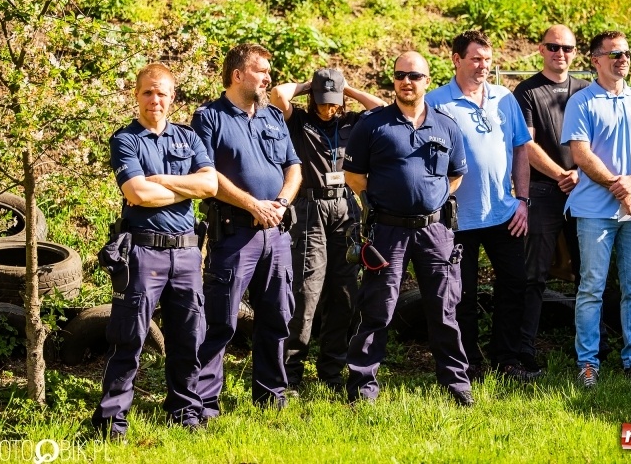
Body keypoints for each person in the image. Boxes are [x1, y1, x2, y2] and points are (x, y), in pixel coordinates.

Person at [92, 63, 218, 439]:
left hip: (187, 255)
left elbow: (210, 184)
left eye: (162, 92)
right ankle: (112, 421)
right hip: (143, 254)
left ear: (172, 97)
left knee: (188, 337)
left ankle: (185, 411)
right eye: (147, 92)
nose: (155, 99)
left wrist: (163, 181)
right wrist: (185, 188)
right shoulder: (126, 140)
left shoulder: (189, 138)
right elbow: (137, 193)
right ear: (136, 95)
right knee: (129, 337)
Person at [343, 51, 473, 406]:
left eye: (414, 76)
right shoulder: (372, 125)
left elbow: (456, 175)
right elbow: (354, 177)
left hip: (436, 232)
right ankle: (363, 389)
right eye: (400, 75)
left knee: (445, 310)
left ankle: (457, 387)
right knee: (378, 310)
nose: (406, 81)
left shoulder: (447, 125)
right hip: (387, 231)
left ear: (427, 81)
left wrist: (430, 199)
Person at [191, 43, 302, 415]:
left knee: (278, 316)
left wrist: (281, 204)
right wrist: (252, 204)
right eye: (262, 71)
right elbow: (206, 175)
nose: (268, 77)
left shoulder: (272, 116)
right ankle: (204, 403)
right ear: (238, 75)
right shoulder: (209, 117)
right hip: (235, 232)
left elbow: (293, 168)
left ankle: (271, 396)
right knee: (219, 320)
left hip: (277, 233)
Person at [425, 30, 533, 381]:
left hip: (505, 213)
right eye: (475, 59)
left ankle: (508, 359)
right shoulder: (437, 102)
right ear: (455, 59)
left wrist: (523, 200)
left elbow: (521, 149)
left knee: (514, 285)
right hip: (457, 217)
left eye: (487, 59)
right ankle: (468, 363)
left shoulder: (504, 98)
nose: (483, 66)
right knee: (461, 294)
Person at [269, 70, 385, 392]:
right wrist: (312, 85)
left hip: (346, 209)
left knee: (344, 293)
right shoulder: (299, 121)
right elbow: (278, 94)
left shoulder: (351, 123)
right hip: (310, 209)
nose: (328, 109)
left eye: (334, 103)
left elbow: (381, 109)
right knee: (306, 293)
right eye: (322, 102)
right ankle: (290, 374)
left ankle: (330, 371)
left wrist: (349, 88)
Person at [561, 31, 631, 387]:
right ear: (595, 61)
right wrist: (618, 187)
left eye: (626, 53)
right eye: (615, 53)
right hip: (593, 211)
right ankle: (588, 363)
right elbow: (581, 154)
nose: (623, 59)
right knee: (592, 287)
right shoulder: (582, 101)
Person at [512, 25, 590, 373]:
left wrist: (581, 175)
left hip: (585, 190)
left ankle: (589, 347)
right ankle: (523, 349)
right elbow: (526, 145)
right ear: (541, 49)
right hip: (544, 191)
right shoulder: (527, 92)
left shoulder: (585, 91)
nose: (561, 53)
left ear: (576, 53)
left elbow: (596, 144)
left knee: (589, 272)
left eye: (568, 48)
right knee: (534, 276)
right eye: (554, 47)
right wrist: (561, 174)